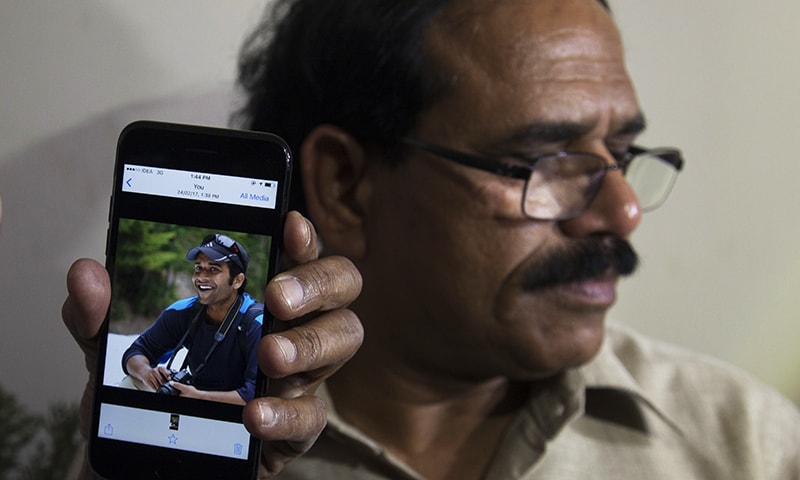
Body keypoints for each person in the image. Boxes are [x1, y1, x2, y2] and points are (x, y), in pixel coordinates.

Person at [64, 0, 800, 479]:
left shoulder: (745, 442)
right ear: (349, 182)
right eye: (550, 163)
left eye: (624, 153)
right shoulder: (204, 451)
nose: (624, 211)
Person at [121, 234, 264, 404]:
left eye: (213, 269)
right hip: (192, 395)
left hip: (234, 413)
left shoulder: (256, 323)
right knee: (131, 382)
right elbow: (134, 353)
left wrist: (198, 397)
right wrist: (147, 373)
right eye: (198, 268)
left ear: (237, 281)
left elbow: (256, 395)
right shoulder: (184, 311)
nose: (201, 277)